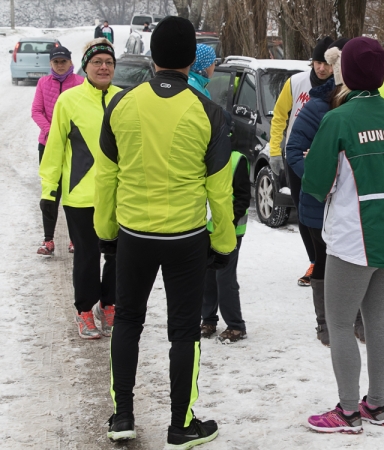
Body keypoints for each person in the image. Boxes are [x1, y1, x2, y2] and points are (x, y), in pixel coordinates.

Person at [95, 16, 234, 447]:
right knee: (183, 331)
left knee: (129, 323)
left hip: (134, 234)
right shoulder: (208, 111)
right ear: (193, 58)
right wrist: (224, 242)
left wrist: (106, 232)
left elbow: (106, 176)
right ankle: (181, 424)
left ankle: (122, 416)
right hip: (186, 238)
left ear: (153, 56)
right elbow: (220, 189)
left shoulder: (121, 104)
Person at [302, 36, 384, 434]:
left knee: (339, 323)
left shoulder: (338, 119)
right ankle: (377, 405)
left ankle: (348, 412)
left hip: (355, 239)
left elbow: (316, 182)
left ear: (344, 72)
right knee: (378, 322)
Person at [286, 38, 384, 347]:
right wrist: (328, 181)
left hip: (361, 207)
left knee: (359, 269)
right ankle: (326, 325)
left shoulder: (377, 111)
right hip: (319, 206)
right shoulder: (319, 109)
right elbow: (294, 150)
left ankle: (358, 322)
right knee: (323, 263)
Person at [38, 38, 120, 339]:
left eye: (109, 63)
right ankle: (84, 310)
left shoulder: (123, 99)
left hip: (117, 195)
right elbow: (55, 147)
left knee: (117, 254)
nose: (103, 67)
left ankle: (108, 305)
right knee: (87, 255)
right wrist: (49, 190)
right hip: (81, 196)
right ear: (85, 67)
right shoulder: (68, 101)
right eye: (97, 62)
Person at [269, 36, 334, 287]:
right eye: (317, 62)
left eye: (326, 64)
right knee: (304, 215)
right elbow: (279, 116)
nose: (321, 68)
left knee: (325, 216)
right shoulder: (296, 82)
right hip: (297, 158)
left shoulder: (340, 87)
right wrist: (275, 150)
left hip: (326, 158)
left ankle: (330, 263)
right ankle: (315, 262)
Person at [32, 45, 84, 256]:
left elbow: (83, 113)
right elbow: (36, 111)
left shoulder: (81, 83)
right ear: (51, 64)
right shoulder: (43, 83)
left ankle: (75, 239)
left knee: (75, 193)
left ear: (71, 62)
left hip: (75, 146)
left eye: (64, 61)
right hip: (48, 145)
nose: (60, 65)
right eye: (56, 62)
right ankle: (48, 240)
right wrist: (51, 132)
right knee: (50, 193)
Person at [201, 150, 251, 343]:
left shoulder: (236, 159)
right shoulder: (201, 154)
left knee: (225, 278)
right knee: (207, 277)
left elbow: (242, 197)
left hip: (230, 230)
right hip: (206, 228)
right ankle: (209, 320)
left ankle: (236, 326)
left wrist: (230, 223)